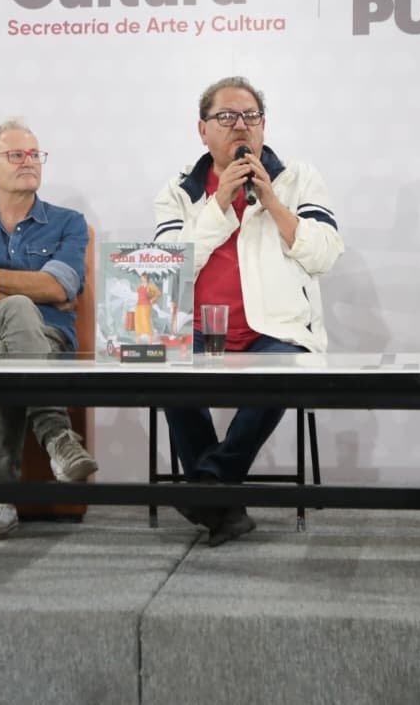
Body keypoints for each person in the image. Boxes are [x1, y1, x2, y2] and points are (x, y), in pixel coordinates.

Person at [153, 76, 344, 546]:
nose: (240, 125)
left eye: (250, 116)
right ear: (203, 130)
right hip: (196, 328)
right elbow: (168, 268)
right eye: (226, 117)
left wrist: (272, 201)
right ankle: (223, 502)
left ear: (263, 125)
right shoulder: (179, 190)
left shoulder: (297, 178)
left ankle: (211, 485)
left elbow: (324, 254)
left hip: (275, 331)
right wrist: (220, 202)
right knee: (166, 369)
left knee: (283, 370)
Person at [0, 118, 98, 541]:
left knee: (5, 350)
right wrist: (31, 290)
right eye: (16, 155)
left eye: (34, 154)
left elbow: (61, 287)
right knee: (18, 308)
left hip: (49, 339)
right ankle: (57, 436)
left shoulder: (68, 223)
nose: (29, 162)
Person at [134, 272, 161, 343]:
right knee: (138, 322)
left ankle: (150, 342)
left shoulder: (150, 286)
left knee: (146, 321)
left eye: (143, 277)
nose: (142, 278)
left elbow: (158, 293)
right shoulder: (139, 286)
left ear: (146, 278)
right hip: (138, 306)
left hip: (146, 305)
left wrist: (153, 300)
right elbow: (138, 295)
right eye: (141, 277)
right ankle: (137, 342)